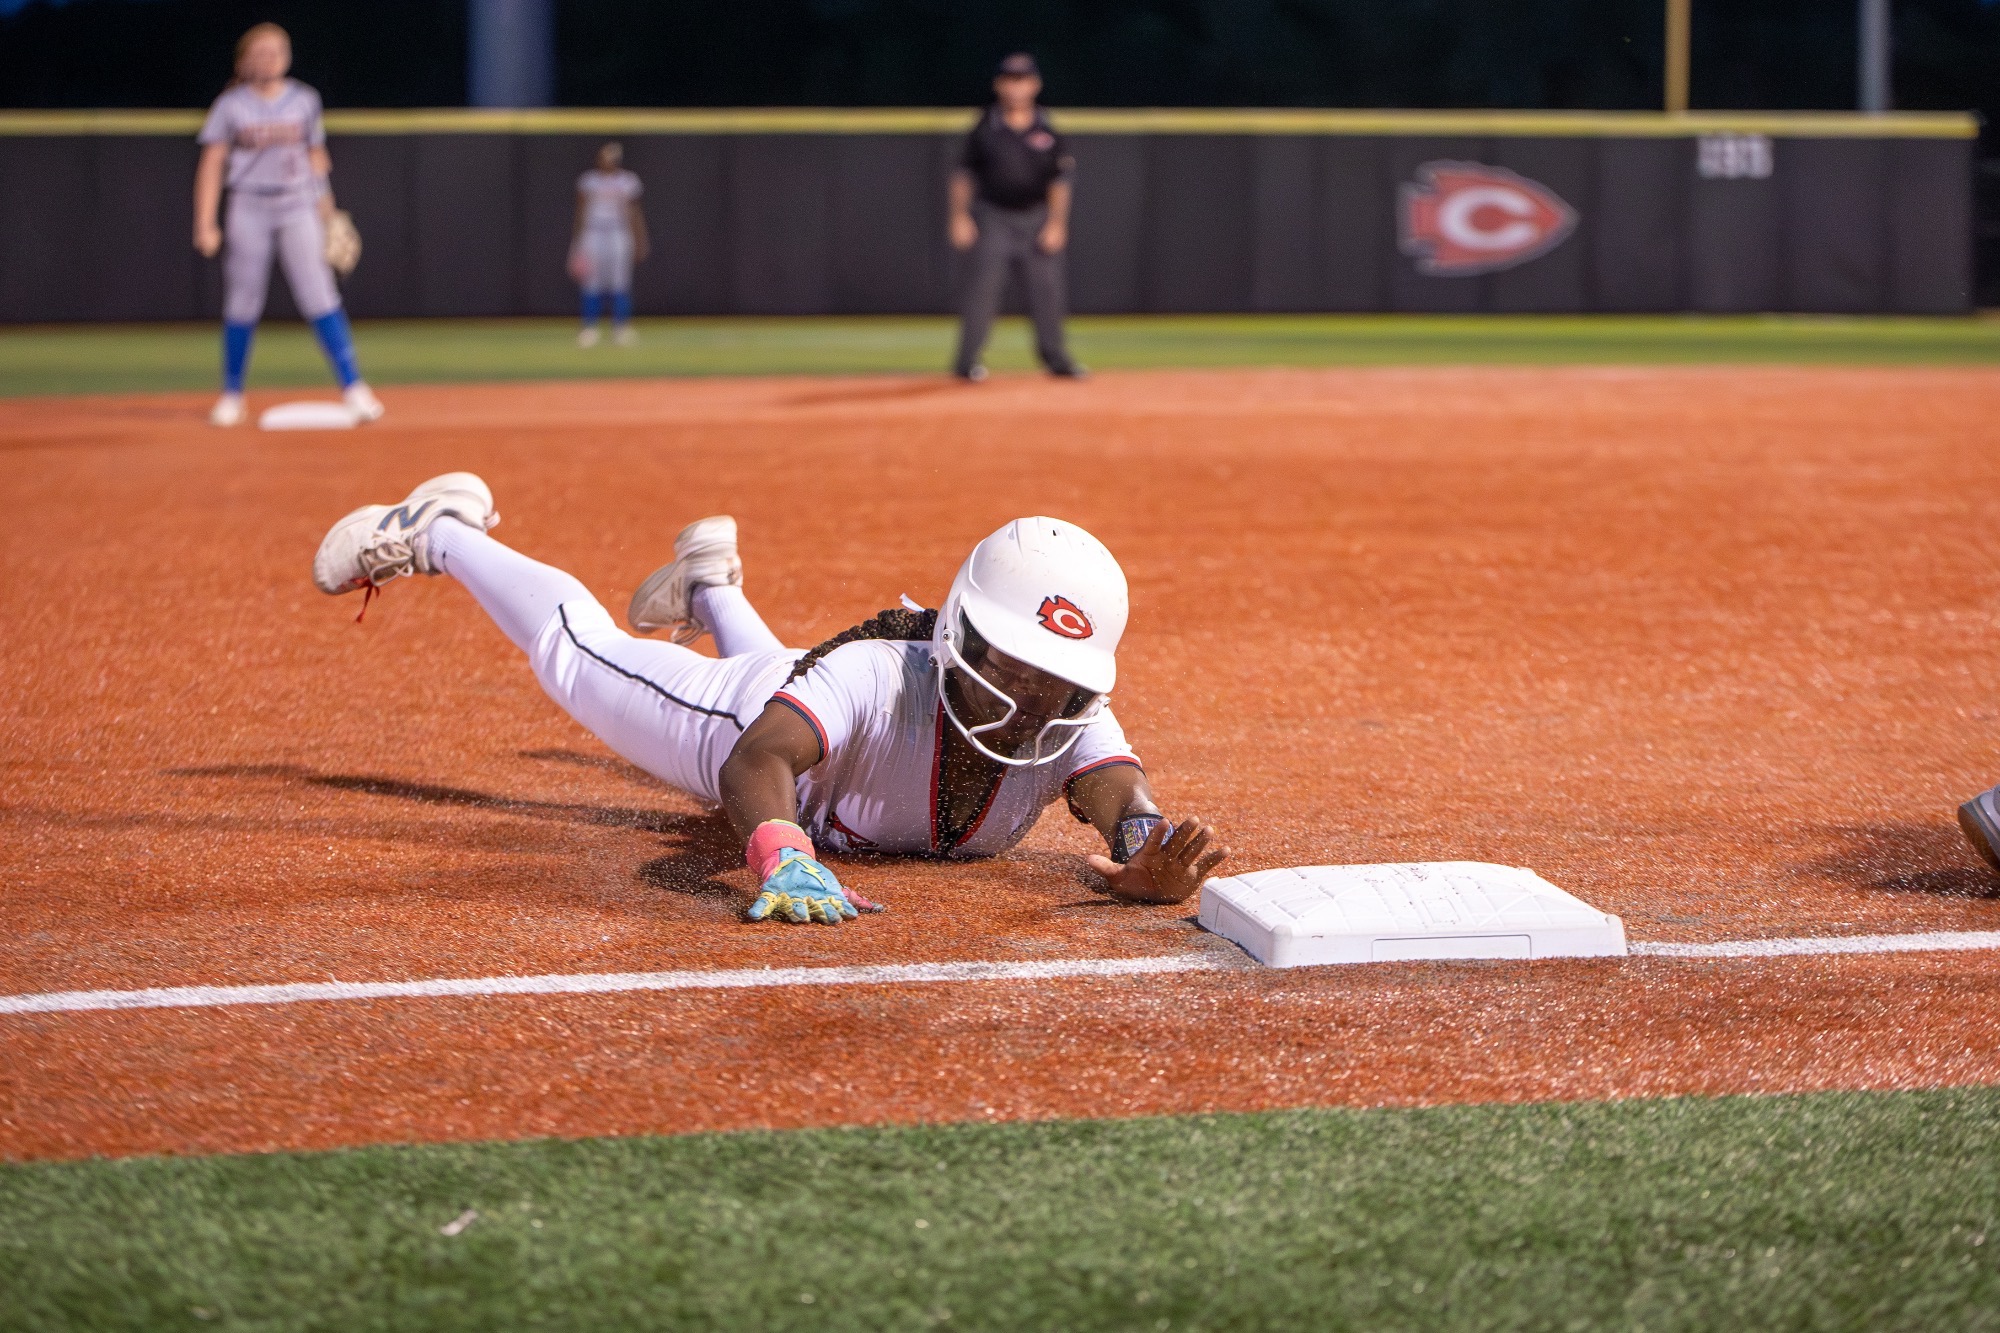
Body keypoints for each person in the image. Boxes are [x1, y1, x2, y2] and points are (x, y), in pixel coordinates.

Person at [311, 473, 1227, 924]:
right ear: (960, 636)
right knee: (584, 656)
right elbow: (758, 758)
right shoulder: (879, 675)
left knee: (809, 685)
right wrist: (779, 852)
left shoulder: (1062, 717)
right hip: (746, 709)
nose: (1028, 697)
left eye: (1054, 679)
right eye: (1013, 664)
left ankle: (710, 584)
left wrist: (1145, 853)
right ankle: (444, 530)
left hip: (818, 698)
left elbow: (1124, 796)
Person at [193, 22, 383, 427]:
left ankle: (354, 387)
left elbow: (317, 162)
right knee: (242, 302)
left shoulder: (304, 100)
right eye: (260, 51)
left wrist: (328, 214)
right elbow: (211, 163)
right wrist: (205, 222)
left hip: (297, 205)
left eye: (276, 50)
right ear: (244, 60)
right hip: (248, 205)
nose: (269, 58)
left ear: (288, 56)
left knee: (320, 296)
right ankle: (231, 395)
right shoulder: (231, 105)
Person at [949, 52, 1086, 382]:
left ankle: (1057, 360)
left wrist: (1056, 223)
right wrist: (959, 217)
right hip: (994, 216)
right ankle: (966, 363)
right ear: (999, 85)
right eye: (1010, 79)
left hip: (1035, 217)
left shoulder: (1047, 127)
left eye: (1022, 79)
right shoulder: (985, 126)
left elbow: (1060, 180)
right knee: (983, 291)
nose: (1016, 86)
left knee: (1047, 292)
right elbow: (963, 175)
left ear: (1034, 84)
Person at [568, 142, 648, 348]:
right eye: (605, 157)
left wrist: (640, 240)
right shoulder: (589, 181)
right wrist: (576, 244)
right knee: (591, 281)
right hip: (593, 232)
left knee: (620, 281)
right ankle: (589, 328)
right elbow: (580, 214)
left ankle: (620, 328)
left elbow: (635, 213)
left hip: (618, 233)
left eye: (613, 158)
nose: (609, 162)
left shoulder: (627, 181)